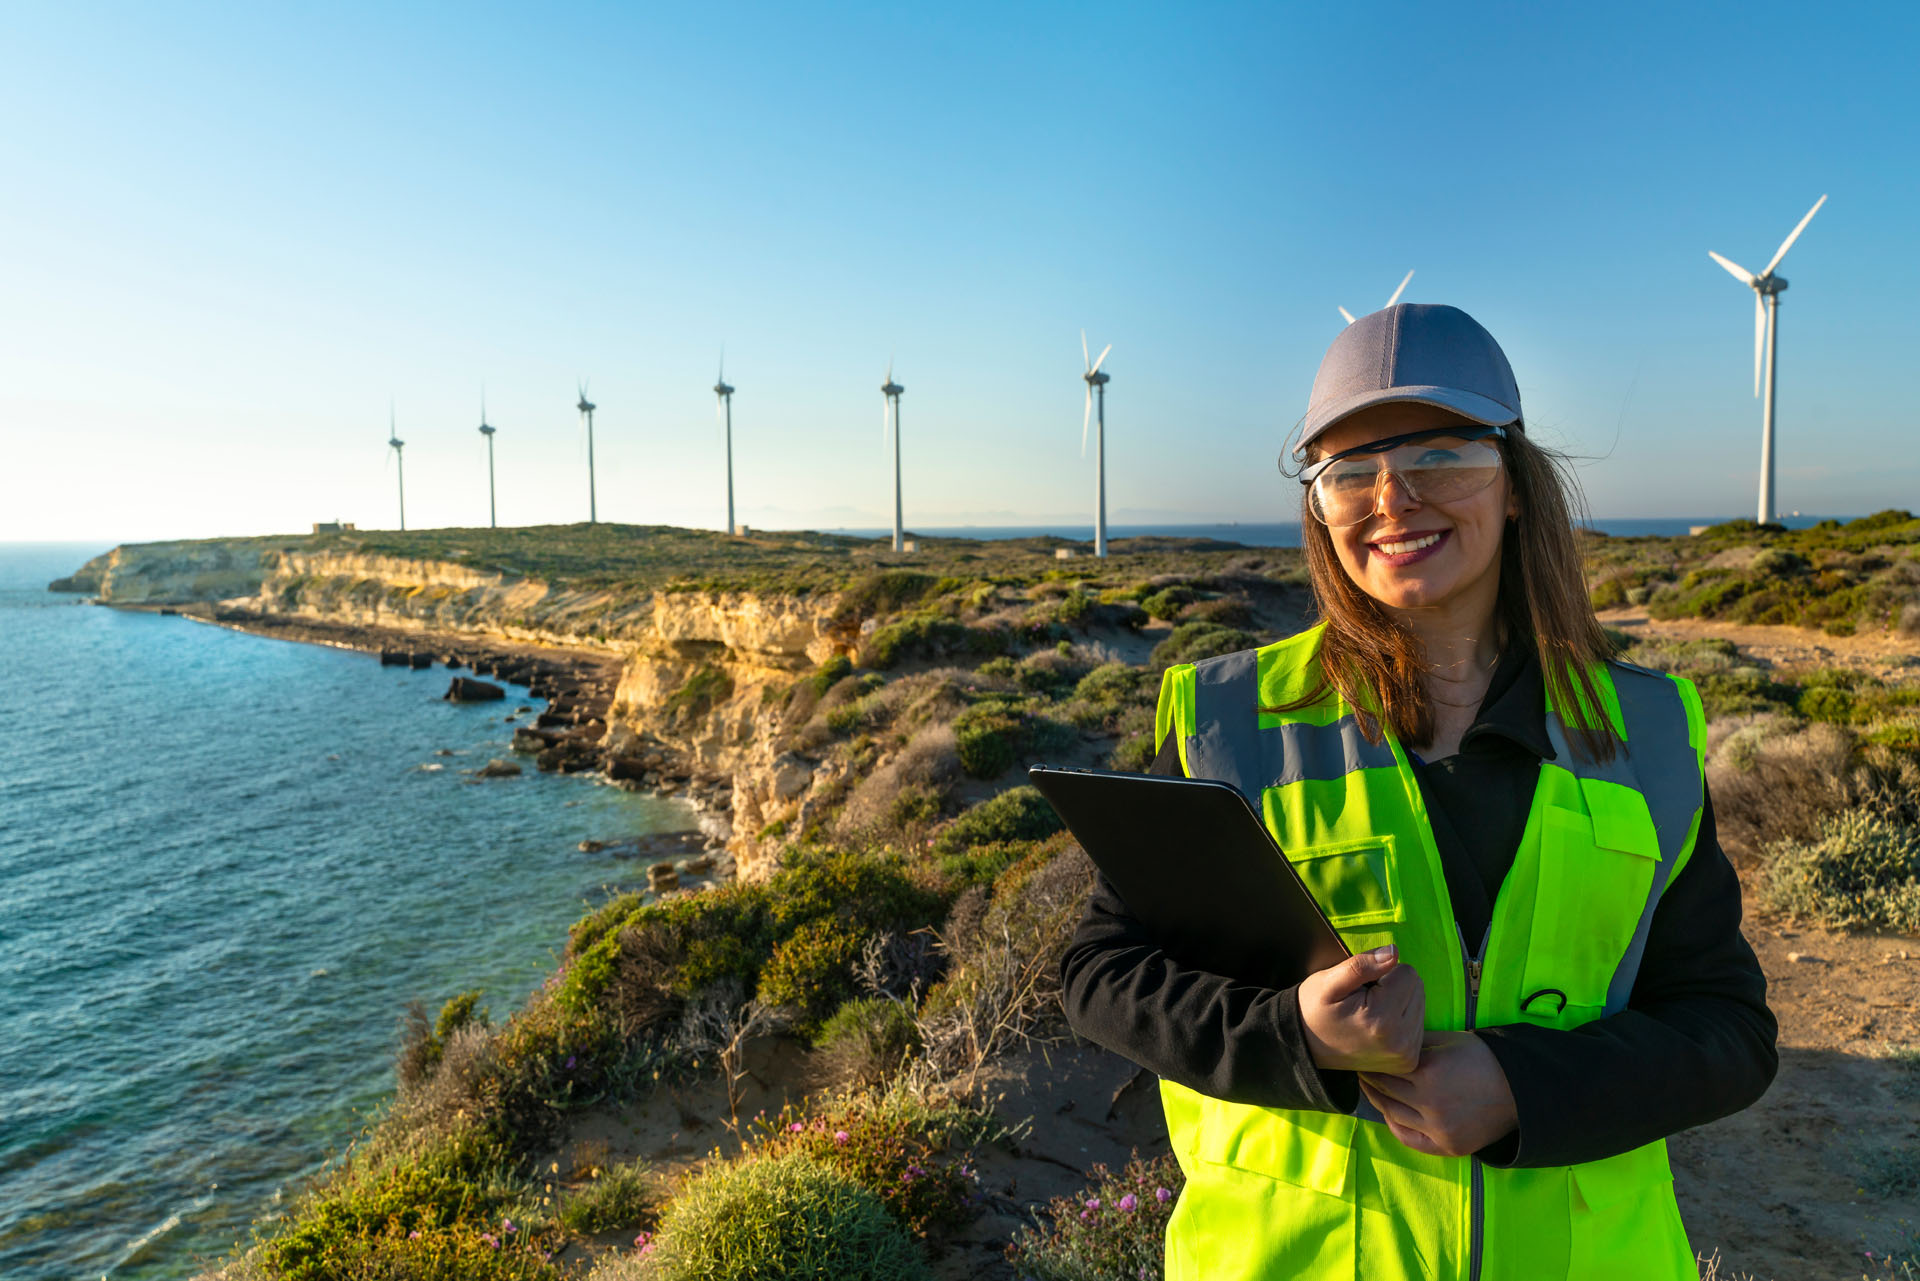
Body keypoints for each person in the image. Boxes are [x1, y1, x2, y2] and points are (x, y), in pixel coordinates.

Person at [1059, 303, 1778, 1281]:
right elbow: (1103, 974)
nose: (1393, 498)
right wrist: (1298, 1035)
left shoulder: (1645, 734)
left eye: (1441, 453)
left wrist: (1523, 1088)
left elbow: (1729, 1030)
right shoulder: (1233, 724)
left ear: (1513, 481)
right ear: (1319, 503)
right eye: (1348, 472)